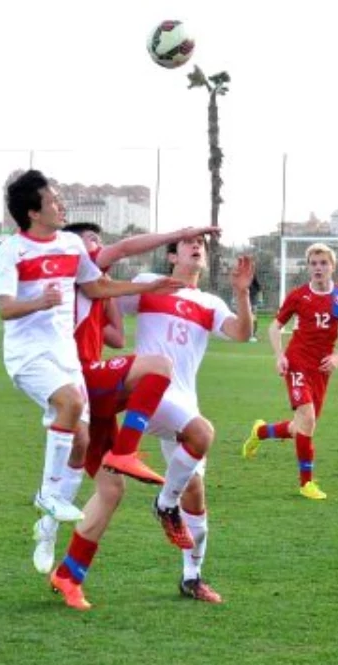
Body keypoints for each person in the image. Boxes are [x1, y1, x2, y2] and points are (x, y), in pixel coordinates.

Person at [0, 170, 183, 529]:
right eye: (54, 201)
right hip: (27, 355)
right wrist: (40, 303)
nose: (62, 206)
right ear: (33, 212)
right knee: (72, 404)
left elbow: (96, 288)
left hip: (64, 355)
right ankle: (47, 495)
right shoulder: (10, 251)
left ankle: (46, 530)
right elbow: (4, 309)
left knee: (82, 440)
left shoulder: (71, 245)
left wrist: (148, 287)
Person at [30, 221, 223, 582]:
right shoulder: (75, 265)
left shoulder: (93, 286)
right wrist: (174, 235)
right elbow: (121, 250)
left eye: (98, 242)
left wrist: (107, 297)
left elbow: (117, 338)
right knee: (157, 366)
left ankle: (68, 574)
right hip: (78, 378)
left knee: (111, 488)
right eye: (90, 241)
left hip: (92, 390)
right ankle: (126, 455)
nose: (97, 247)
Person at [83, 235, 253, 606]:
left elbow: (243, 333)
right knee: (203, 433)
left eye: (202, 246)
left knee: (195, 490)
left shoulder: (210, 303)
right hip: (151, 392)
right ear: (172, 254)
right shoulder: (148, 284)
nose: (197, 249)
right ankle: (164, 503)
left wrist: (241, 292)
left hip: (183, 400)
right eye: (189, 244)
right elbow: (104, 297)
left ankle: (192, 577)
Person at [239, 243, 338, 499]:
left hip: (322, 369)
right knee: (308, 419)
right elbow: (274, 328)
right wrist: (280, 355)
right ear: (308, 267)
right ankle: (306, 483)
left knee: (302, 426)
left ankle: (260, 432)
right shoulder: (298, 295)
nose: (318, 268)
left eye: (323, 263)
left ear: (332, 266)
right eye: (313, 263)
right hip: (297, 362)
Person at [248, 275, 262, 342]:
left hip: (253, 300)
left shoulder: (253, 276)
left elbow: (259, 288)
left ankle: (253, 335)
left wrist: (260, 299)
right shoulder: (241, 275)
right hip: (243, 299)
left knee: (253, 317)